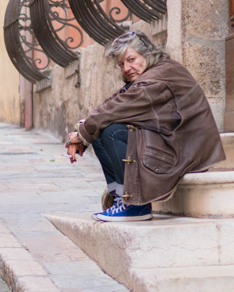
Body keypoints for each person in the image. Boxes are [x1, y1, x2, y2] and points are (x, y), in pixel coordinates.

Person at [65, 31, 224, 220]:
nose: (126, 68)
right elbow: (115, 102)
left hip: (186, 153)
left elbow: (116, 109)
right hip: (173, 143)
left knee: (112, 132)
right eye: (121, 64)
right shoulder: (154, 72)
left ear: (147, 55)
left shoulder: (156, 80)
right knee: (101, 132)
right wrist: (82, 132)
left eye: (131, 59)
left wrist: (81, 135)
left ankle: (135, 205)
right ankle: (119, 199)